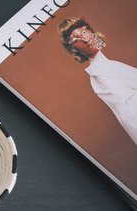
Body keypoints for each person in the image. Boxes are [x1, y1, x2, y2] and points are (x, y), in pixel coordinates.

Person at [58, 17, 137, 145]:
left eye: (84, 32)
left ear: (91, 31)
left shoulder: (108, 65)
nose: (84, 39)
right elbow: (130, 115)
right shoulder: (98, 74)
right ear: (73, 49)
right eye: (75, 39)